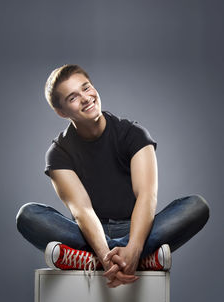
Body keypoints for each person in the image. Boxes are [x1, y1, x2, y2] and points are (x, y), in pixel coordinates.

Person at [16, 64, 209, 288]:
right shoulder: (58, 152)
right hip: (86, 233)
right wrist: (108, 253)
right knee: (28, 215)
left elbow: (147, 196)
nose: (86, 98)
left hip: (137, 228)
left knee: (196, 206)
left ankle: (90, 261)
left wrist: (134, 248)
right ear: (62, 112)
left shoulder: (133, 134)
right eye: (73, 97)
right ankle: (144, 261)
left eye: (86, 88)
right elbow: (82, 211)